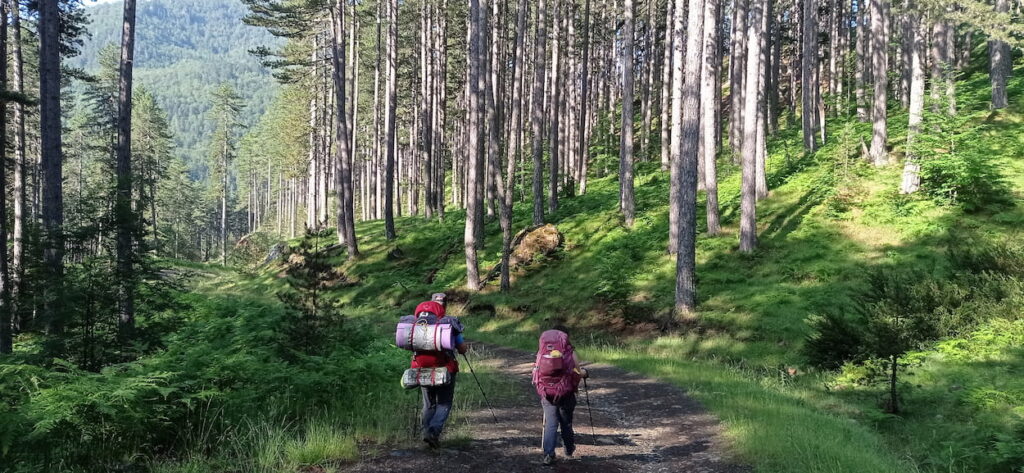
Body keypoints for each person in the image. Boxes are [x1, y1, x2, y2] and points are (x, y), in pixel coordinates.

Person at [411, 293, 467, 448]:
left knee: (428, 404)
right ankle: (433, 432)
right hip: (445, 369)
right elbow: (462, 349)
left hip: (422, 368)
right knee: (444, 403)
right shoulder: (449, 324)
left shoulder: (417, 323)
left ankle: (426, 432)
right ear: (445, 305)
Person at [532, 325, 588, 466]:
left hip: (547, 393)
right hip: (566, 393)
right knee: (566, 422)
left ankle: (549, 454)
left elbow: (536, 371)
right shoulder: (570, 352)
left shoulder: (542, 351)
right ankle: (568, 449)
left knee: (551, 423)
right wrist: (585, 373)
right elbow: (577, 373)